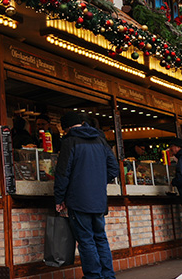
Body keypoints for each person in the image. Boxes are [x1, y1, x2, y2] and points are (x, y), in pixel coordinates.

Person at [54, 111, 120, 279]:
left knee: (86, 240)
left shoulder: (69, 142)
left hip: (78, 199)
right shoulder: (100, 140)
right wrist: (98, 182)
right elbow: (114, 169)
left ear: (66, 127)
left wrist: (59, 198)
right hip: (99, 199)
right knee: (100, 238)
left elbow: (62, 174)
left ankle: (93, 276)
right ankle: (108, 276)